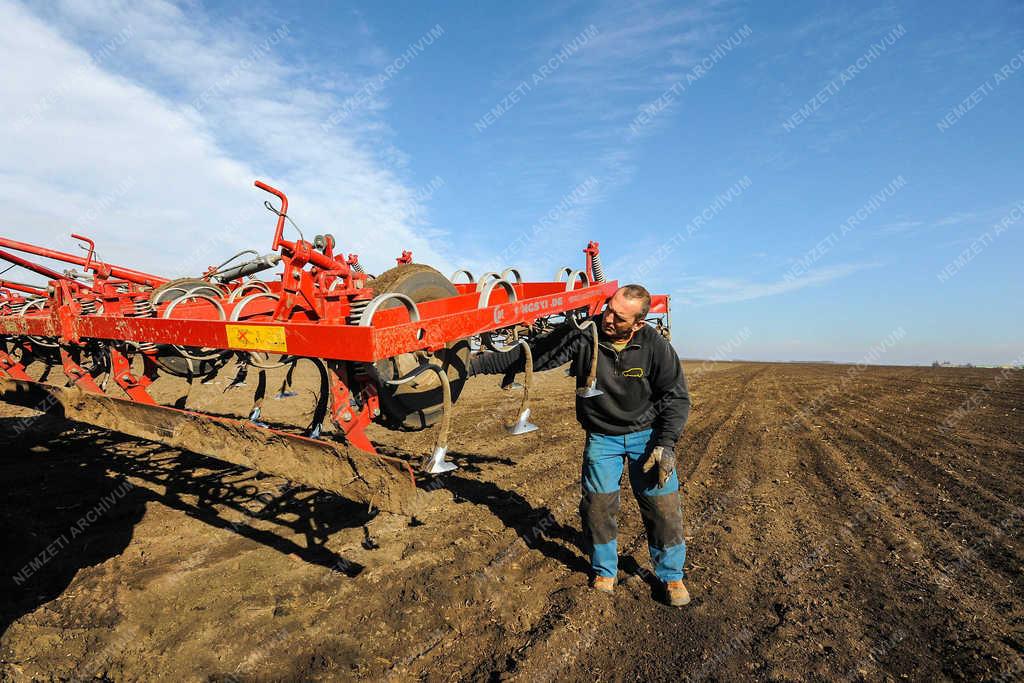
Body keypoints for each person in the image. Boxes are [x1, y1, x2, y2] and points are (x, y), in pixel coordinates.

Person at [469, 284, 692, 606]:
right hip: (602, 436)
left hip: (648, 434)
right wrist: (474, 367)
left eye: (619, 316)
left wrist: (666, 445)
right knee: (598, 505)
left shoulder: (654, 346)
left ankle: (672, 577)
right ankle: (605, 569)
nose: (609, 318)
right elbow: (537, 356)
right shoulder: (588, 333)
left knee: (663, 506)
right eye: (609, 308)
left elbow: (676, 397)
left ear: (639, 323)